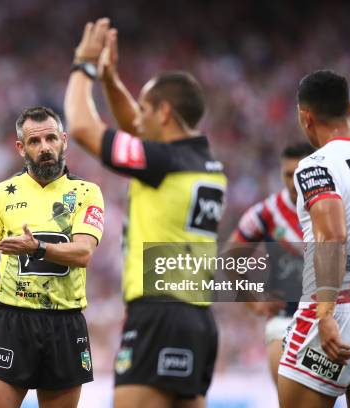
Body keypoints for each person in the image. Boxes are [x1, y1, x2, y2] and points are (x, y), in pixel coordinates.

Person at [64, 18, 226, 408]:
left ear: (165, 112)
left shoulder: (163, 162)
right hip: (198, 319)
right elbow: (135, 129)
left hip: (159, 313)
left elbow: (83, 129)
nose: (139, 116)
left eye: (147, 108)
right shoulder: (202, 161)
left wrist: (83, 66)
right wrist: (109, 80)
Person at [0, 106, 105, 408]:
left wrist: (35, 248)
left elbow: (83, 253)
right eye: (35, 142)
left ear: (64, 140)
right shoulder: (2, 194)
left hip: (65, 322)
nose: (45, 147)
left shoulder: (87, 192)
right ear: (21, 147)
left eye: (51, 138)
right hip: (13, 320)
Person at [277, 70, 350, 407]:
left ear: (306, 117)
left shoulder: (316, 165)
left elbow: (332, 235)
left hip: (336, 312)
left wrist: (325, 314)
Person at [224, 142, 314, 383]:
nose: (294, 182)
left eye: (300, 175)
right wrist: (254, 303)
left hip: (337, 319)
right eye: (287, 175)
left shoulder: (337, 207)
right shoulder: (267, 212)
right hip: (286, 320)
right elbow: (231, 258)